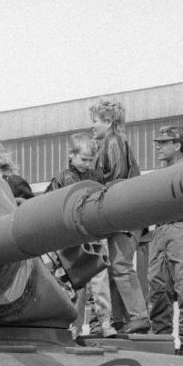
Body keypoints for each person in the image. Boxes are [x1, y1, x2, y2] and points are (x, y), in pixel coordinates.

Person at [87, 98, 150, 335]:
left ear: (108, 121)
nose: (92, 126)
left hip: (124, 215)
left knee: (121, 265)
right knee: (116, 266)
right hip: (123, 215)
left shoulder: (114, 142)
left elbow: (117, 180)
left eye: (95, 121)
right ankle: (124, 317)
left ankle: (138, 316)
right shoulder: (113, 143)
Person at [45, 132, 112, 337]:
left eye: (91, 160)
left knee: (100, 278)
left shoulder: (96, 176)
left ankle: (105, 322)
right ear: (71, 155)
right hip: (71, 238)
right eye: (84, 159)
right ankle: (73, 325)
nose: (87, 164)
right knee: (75, 282)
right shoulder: (61, 178)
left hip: (93, 234)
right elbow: (50, 205)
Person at [145, 124, 183, 354]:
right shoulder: (157, 174)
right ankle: (160, 340)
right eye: (158, 143)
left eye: (163, 143)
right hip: (160, 230)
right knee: (158, 287)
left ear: (177, 145)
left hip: (182, 227)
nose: (158, 147)